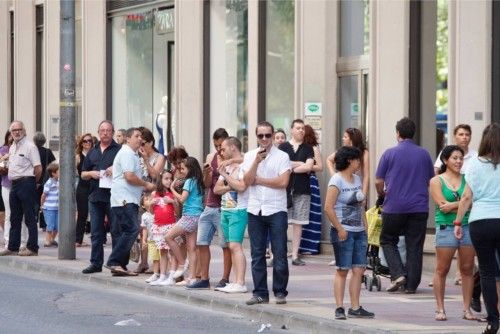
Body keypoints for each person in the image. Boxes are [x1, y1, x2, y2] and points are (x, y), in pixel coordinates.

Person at [375, 117, 434, 293]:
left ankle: (398, 273)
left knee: (387, 240)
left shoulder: (389, 153)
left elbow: (378, 181)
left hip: (394, 206)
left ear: (398, 133)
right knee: (415, 245)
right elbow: (431, 179)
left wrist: (382, 194)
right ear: (413, 133)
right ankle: (411, 286)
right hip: (419, 207)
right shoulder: (424, 154)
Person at [455, 123, 500, 334]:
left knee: (487, 272)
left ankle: (493, 321)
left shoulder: (473, 164)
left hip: (480, 220)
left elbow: (466, 197)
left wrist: (457, 221)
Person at [242, 121, 291, 305]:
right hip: (255, 208)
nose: (264, 139)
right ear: (256, 137)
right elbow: (246, 181)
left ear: (273, 136)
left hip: (276, 208)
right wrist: (256, 161)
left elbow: (283, 182)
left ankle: (280, 291)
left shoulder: (282, 156)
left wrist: (260, 180)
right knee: (257, 253)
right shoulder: (249, 156)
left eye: (267, 135)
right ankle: (260, 292)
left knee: (279, 252)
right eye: (260, 136)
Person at [324, 146, 374, 320]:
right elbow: (328, 208)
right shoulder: (336, 181)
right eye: (357, 159)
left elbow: (361, 206)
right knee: (342, 270)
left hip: (359, 230)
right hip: (342, 231)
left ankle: (355, 307)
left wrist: (365, 227)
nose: (360, 163)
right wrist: (340, 229)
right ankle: (339, 307)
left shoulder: (358, 180)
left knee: (359, 269)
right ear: (349, 161)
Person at [430, 145, 476, 321]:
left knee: (467, 269)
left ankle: (466, 309)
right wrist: (463, 202)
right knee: (442, 269)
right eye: (454, 158)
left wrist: (455, 204)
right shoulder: (436, 181)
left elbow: (471, 202)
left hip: (467, 226)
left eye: (460, 158)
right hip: (446, 227)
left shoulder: (468, 179)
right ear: (445, 160)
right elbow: (443, 206)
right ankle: (440, 309)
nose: (458, 161)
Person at [105, 128, 155, 276]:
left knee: (125, 231)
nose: (140, 139)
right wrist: (146, 185)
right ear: (128, 139)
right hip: (125, 199)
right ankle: (115, 261)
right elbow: (129, 176)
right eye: (136, 136)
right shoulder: (127, 153)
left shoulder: (132, 154)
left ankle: (120, 265)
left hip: (125, 198)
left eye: (141, 136)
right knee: (132, 229)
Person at [187, 128, 233, 290]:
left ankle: (225, 278)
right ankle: (204, 278)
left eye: (221, 146)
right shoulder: (211, 157)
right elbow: (207, 185)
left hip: (225, 207)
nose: (218, 149)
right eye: (215, 146)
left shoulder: (234, 159)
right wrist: (207, 173)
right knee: (201, 242)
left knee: (225, 245)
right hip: (210, 204)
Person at [81, 120, 121, 274]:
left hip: (113, 196)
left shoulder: (119, 150)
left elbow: (127, 168)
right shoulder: (92, 151)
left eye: (108, 130)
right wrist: (91, 173)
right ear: (98, 133)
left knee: (116, 231)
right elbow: (83, 174)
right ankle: (96, 263)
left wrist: (115, 168)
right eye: (102, 130)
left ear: (112, 132)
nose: (105, 133)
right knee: (96, 233)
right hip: (95, 196)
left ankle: (116, 264)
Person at [0, 121, 42, 257]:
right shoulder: (12, 147)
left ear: (24, 130)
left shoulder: (30, 147)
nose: (17, 132)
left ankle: (32, 247)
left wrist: (32, 182)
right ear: (11, 133)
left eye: (19, 129)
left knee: (29, 217)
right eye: (14, 130)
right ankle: (12, 246)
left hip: (26, 182)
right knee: (14, 217)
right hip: (14, 184)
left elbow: (38, 168)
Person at [214, 136, 249, 293]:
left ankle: (240, 282)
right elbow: (216, 189)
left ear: (233, 147)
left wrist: (227, 179)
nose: (222, 151)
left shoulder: (243, 165)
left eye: (224, 148)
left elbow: (241, 187)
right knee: (230, 246)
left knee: (236, 245)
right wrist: (230, 186)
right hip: (225, 209)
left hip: (238, 210)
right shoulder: (227, 167)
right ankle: (235, 281)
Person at [278, 119, 314, 266]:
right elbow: (280, 165)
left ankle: (294, 255)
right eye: (298, 128)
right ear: (291, 130)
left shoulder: (308, 148)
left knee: (299, 223)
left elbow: (309, 167)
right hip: (283, 190)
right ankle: (277, 254)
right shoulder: (283, 147)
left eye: (303, 128)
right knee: (280, 223)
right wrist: (300, 164)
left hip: (302, 189)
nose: (301, 131)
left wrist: (291, 166)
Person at [165, 157, 204, 284]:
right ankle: (192, 278)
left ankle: (182, 263)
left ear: (190, 169)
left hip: (189, 216)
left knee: (168, 237)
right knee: (191, 248)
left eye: (183, 169)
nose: (181, 171)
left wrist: (172, 188)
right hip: (197, 216)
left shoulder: (189, 182)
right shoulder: (198, 181)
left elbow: (182, 199)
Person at [134, 127, 166, 274]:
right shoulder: (135, 156)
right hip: (138, 194)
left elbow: (155, 174)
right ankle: (143, 261)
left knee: (154, 230)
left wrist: (146, 160)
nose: (141, 146)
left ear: (151, 142)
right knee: (142, 230)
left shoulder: (159, 157)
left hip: (152, 195)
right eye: (140, 143)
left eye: (144, 143)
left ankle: (156, 263)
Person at [148, 170, 180, 286]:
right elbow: (152, 212)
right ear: (161, 180)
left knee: (171, 251)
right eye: (166, 179)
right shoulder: (155, 193)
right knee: (162, 251)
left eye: (170, 179)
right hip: (158, 226)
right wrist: (151, 204)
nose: (169, 181)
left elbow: (177, 212)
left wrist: (172, 202)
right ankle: (162, 275)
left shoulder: (173, 193)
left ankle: (172, 276)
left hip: (170, 226)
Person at [0, 130, 28, 250]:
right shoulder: (3, 149)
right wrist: (5, 158)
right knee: (9, 213)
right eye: (10, 135)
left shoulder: (26, 148)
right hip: (7, 184)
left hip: (21, 183)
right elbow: (2, 166)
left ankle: (23, 242)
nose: (13, 137)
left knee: (22, 214)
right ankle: (8, 241)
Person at [299, 124, 323, 255]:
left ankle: (311, 247)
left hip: (310, 182)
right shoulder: (298, 148)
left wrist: (306, 166)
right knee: (300, 214)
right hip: (298, 181)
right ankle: (300, 246)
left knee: (312, 214)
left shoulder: (313, 148)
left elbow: (320, 167)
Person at [327, 128, 370, 198]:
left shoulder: (364, 152)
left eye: (345, 137)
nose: (343, 138)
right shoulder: (343, 151)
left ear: (352, 139)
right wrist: (333, 174)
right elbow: (329, 160)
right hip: (343, 186)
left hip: (357, 188)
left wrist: (364, 194)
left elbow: (366, 175)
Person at [33, 132, 56, 231]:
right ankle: (44, 224)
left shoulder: (32, 151)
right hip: (46, 181)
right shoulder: (48, 151)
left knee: (34, 203)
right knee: (45, 203)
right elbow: (54, 164)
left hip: (34, 180)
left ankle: (34, 221)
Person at [75, 133, 93, 247]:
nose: (88, 143)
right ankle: (78, 239)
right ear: (81, 143)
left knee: (97, 214)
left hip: (94, 187)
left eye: (90, 141)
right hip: (82, 187)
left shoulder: (95, 154)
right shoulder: (78, 157)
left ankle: (99, 238)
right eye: (85, 141)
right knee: (82, 214)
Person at [41, 162, 60, 248]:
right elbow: (44, 195)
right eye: (59, 171)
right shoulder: (49, 183)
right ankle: (47, 241)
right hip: (49, 208)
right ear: (53, 173)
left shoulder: (59, 182)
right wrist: (42, 205)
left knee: (57, 225)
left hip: (57, 207)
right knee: (50, 225)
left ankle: (52, 239)